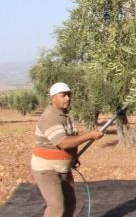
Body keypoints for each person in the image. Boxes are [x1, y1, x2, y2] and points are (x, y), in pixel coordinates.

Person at [31, 82, 104, 217]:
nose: (68, 98)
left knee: (70, 204)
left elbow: (69, 142)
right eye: (63, 95)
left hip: (63, 168)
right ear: (53, 98)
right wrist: (90, 135)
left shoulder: (65, 115)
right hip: (46, 169)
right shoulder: (50, 117)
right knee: (56, 207)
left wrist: (72, 158)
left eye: (69, 95)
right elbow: (63, 143)